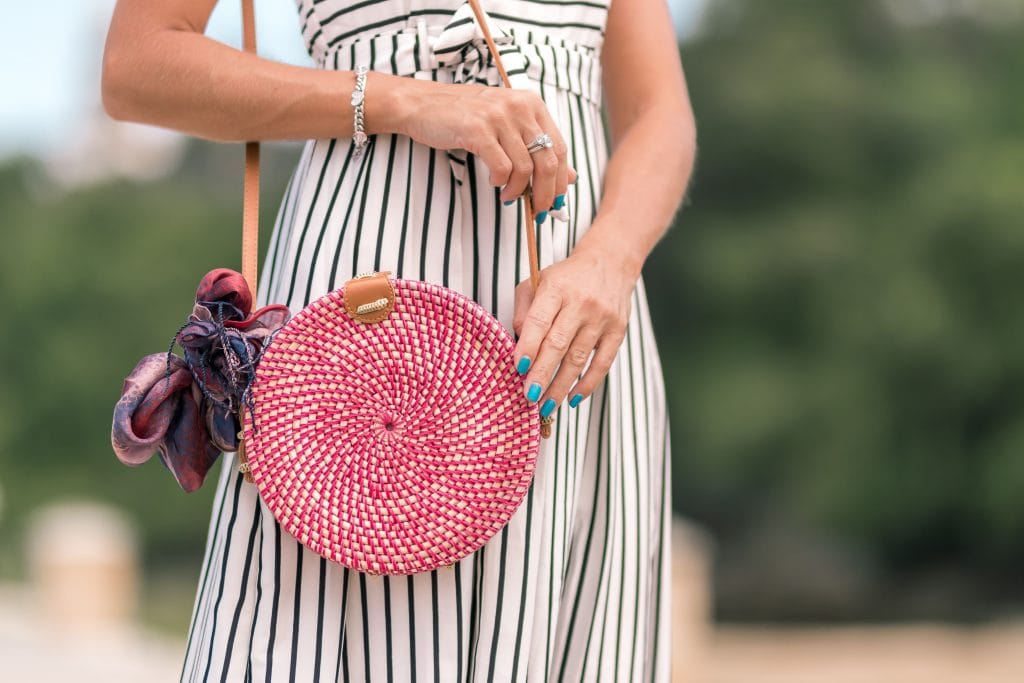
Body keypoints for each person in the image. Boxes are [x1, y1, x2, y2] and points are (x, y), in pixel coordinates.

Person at [102, 0, 695, 680]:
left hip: (575, 311)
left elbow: (660, 112)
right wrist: (403, 97)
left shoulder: (598, 281)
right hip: (368, 299)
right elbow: (136, 63)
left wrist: (612, 262)